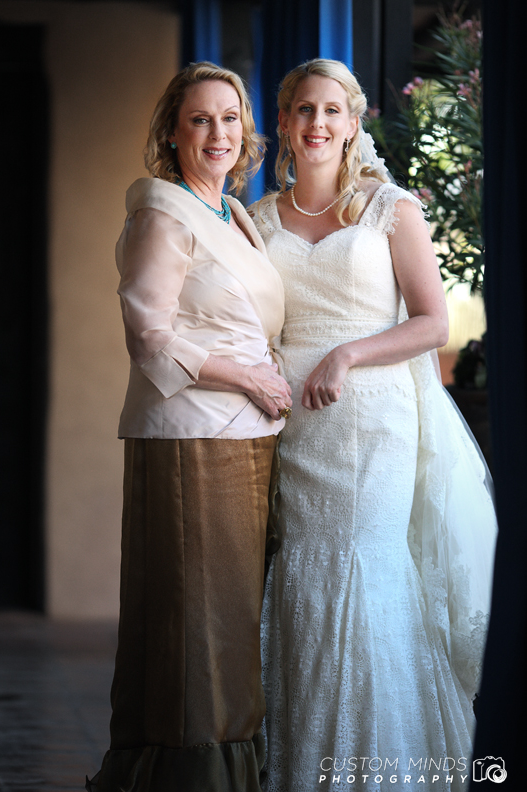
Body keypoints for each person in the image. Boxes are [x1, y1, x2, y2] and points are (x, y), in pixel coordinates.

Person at [249, 59, 497, 792]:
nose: (317, 124)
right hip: (295, 429)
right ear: (285, 123)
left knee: (368, 571)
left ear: (353, 122)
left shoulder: (391, 209)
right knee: (302, 577)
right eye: (302, 110)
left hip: (373, 423)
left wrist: (348, 354)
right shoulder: (257, 220)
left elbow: (432, 323)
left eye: (332, 110)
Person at [87, 62, 292, 792]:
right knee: (194, 620)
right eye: (200, 119)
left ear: (246, 133)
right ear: (171, 133)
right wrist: (245, 378)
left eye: (230, 118)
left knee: (230, 615)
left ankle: (226, 764)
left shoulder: (232, 213)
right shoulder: (160, 212)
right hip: (189, 433)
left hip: (246, 434)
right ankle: (189, 776)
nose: (217, 133)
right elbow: (149, 334)